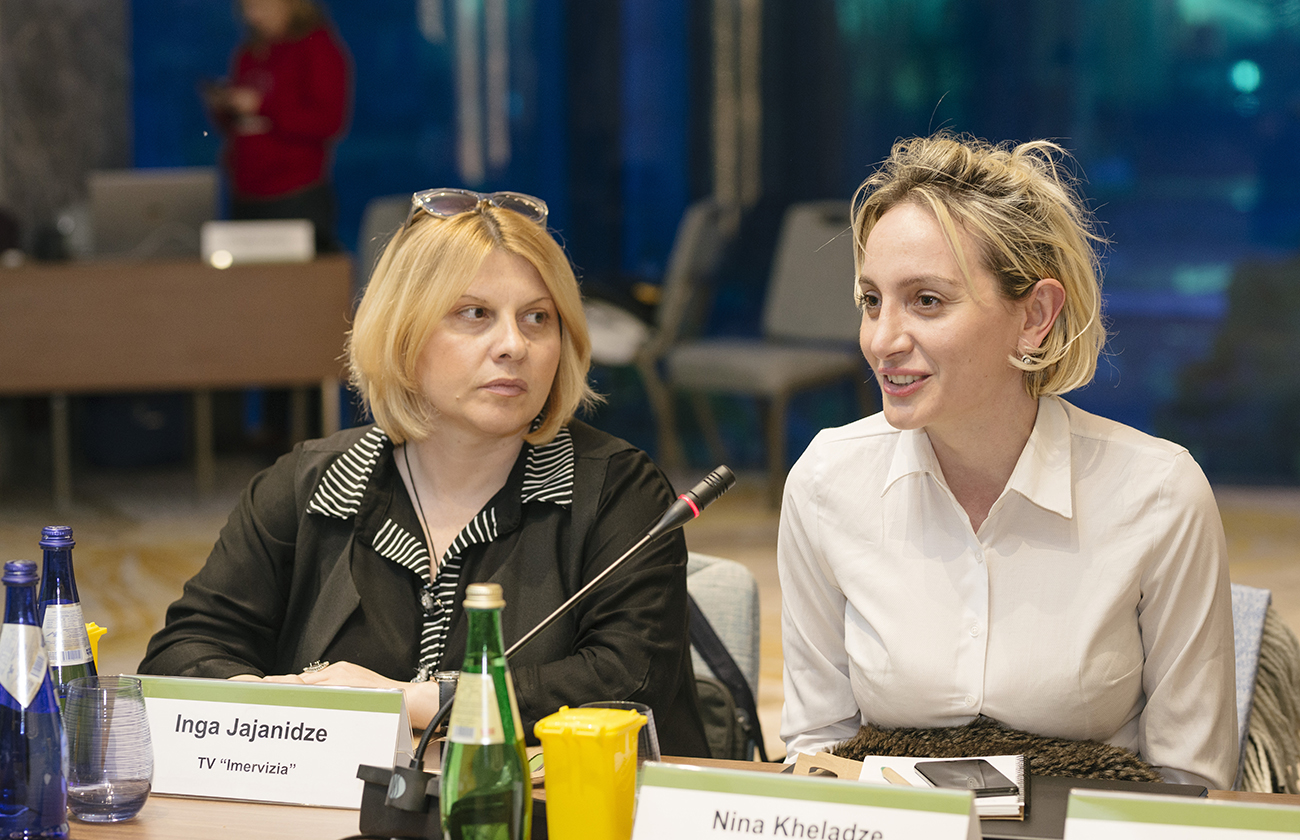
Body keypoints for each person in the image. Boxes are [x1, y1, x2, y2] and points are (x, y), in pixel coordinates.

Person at [139, 187, 710, 757]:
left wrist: (409, 700)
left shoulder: (617, 489)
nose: (514, 345)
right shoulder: (308, 484)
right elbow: (180, 654)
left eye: (537, 317)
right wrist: (278, 707)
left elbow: (628, 681)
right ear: (403, 334)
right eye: (474, 314)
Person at [778, 132, 1238, 790]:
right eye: (871, 301)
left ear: (1035, 316)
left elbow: (1189, 785)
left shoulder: (1160, 494)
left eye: (927, 301)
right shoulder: (826, 481)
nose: (882, 340)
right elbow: (816, 754)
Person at [205, 0, 351, 253]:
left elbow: (328, 121)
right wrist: (226, 107)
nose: (253, 16)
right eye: (247, 8)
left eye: (262, 6)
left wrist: (262, 105)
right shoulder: (249, 52)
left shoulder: (316, 47)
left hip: (296, 191)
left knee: (300, 274)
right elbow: (241, 126)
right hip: (246, 191)